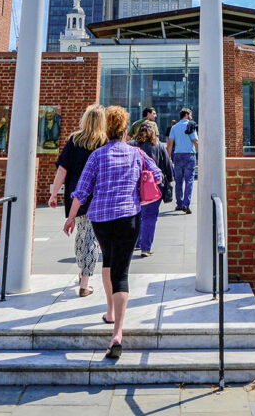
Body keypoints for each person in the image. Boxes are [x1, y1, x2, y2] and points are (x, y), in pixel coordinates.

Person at [64, 105, 162, 359]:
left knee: (108, 260)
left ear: (106, 129)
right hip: (128, 216)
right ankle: (117, 332)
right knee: (121, 272)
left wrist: (71, 217)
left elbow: (82, 190)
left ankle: (109, 311)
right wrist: (138, 191)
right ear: (124, 130)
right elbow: (158, 175)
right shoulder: (136, 153)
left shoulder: (97, 156)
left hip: (101, 219)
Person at [49, 104, 107, 297]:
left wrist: (54, 193)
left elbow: (62, 169)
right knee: (92, 238)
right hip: (98, 196)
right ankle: (85, 283)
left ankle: (82, 273)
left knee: (82, 234)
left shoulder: (74, 140)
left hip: (76, 196)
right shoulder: (105, 141)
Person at [129, 121, 173, 257]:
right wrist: (170, 180)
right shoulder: (158, 146)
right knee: (150, 216)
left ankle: (136, 243)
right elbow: (167, 165)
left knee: (137, 215)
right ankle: (146, 247)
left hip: (135, 185)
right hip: (154, 186)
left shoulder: (131, 145)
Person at [167, 107, 198, 214]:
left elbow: (170, 144)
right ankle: (186, 204)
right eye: (190, 114)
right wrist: (200, 155)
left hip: (178, 156)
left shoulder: (174, 127)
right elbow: (195, 141)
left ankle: (179, 204)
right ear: (186, 115)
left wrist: (169, 157)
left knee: (178, 181)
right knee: (189, 181)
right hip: (189, 155)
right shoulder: (191, 125)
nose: (191, 116)